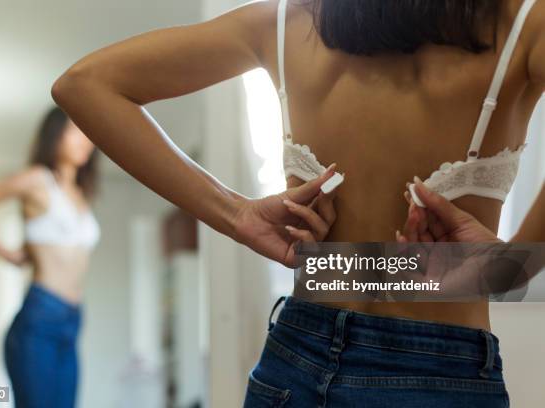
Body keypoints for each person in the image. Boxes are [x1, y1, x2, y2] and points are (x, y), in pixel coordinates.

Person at [50, 0, 544, 406]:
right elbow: (83, 88)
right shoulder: (523, 23)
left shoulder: (288, 23)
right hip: (440, 365)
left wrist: (235, 214)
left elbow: (85, 83)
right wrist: (513, 266)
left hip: (299, 353)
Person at [0, 107, 100, 407]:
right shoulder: (38, 180)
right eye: (74, 131)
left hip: (72, 322)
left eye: (88, 133)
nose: (84, 140)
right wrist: (6, 254)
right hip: (40, 320)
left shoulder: (81, 193)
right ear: (54, 135)